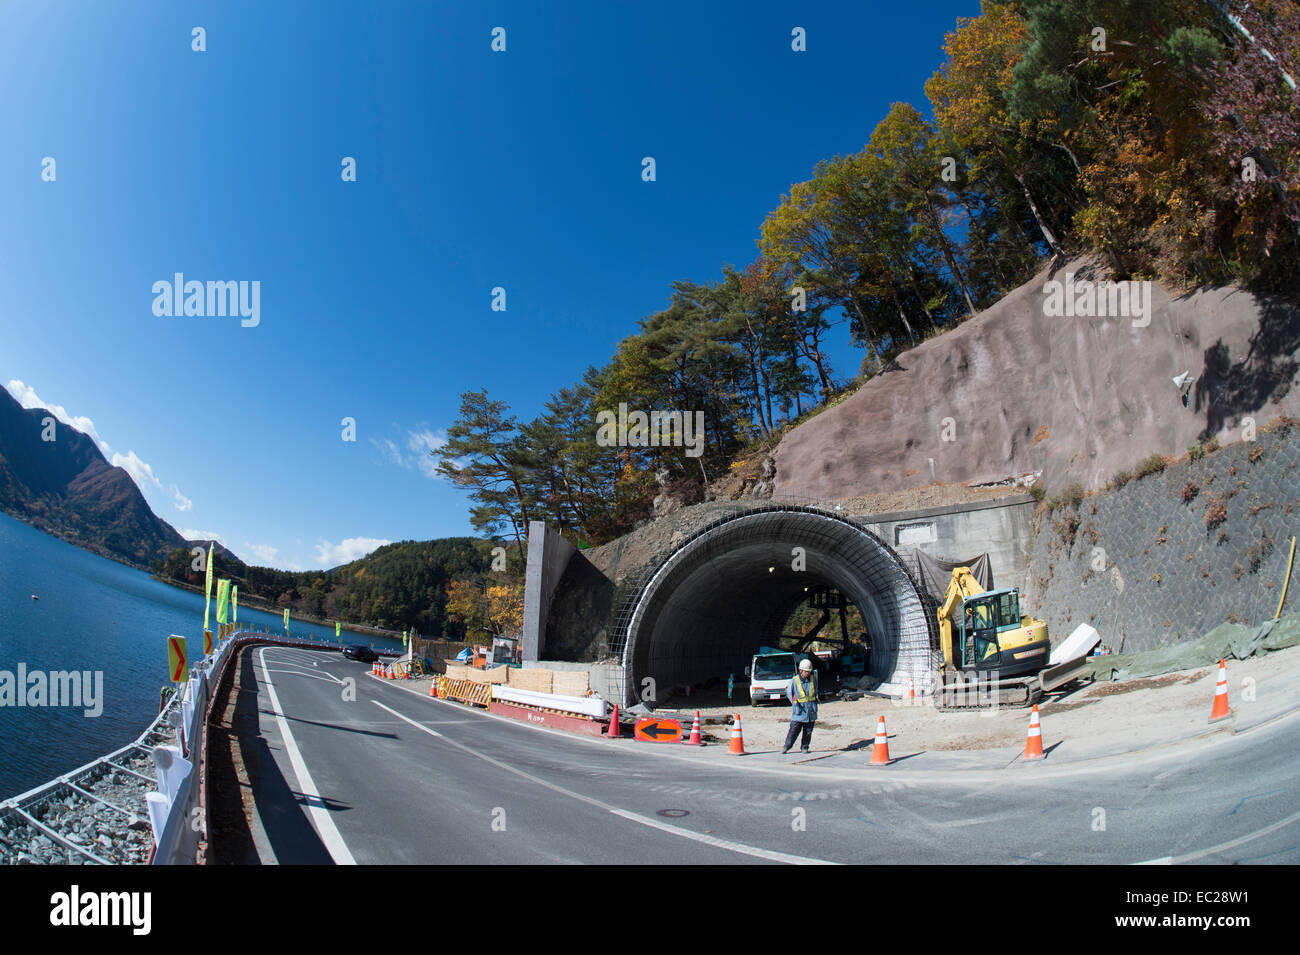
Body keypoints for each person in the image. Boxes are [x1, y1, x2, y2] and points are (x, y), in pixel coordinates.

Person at [783, 659, 819, 754]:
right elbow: (789, 693)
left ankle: (804, 747)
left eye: (809, 671)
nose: (807, 673)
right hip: (799, 711)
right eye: (806, 671)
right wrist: (795, 704)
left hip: (810, 711)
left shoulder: (812, 679)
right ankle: (787, 746)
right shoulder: (794, 681)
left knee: (808, 731)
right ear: (800, 671)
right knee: (794, 731)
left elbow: (815, 691)